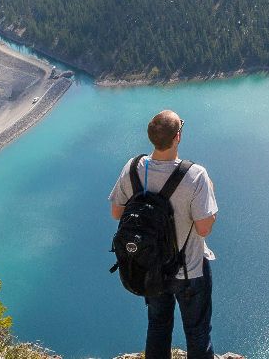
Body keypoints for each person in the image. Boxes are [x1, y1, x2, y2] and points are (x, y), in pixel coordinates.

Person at [110, 110, 218, 359]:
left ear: (152, 137)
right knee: (197, 332)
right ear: (177, 136)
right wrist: (210, 194)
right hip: (190, 271)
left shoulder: (133, 167)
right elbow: (204, 228)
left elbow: (117, 212)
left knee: (158, 326)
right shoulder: (195, 175)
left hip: (151, 267)